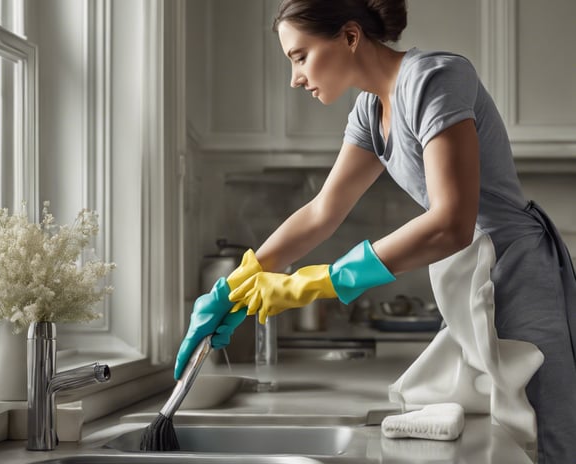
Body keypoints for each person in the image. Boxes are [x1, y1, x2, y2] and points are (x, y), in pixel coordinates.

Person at [174, 1, 576, 462]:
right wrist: (236, 284)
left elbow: (451, 222)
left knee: (546, 439)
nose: (295, 78)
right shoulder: (370, 110)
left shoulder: (435, 78)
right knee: (491, 438)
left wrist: (317, 282)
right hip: (468, 282)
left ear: (349, 36)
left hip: (518, 272)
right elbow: (323, 210)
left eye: (300, 57)